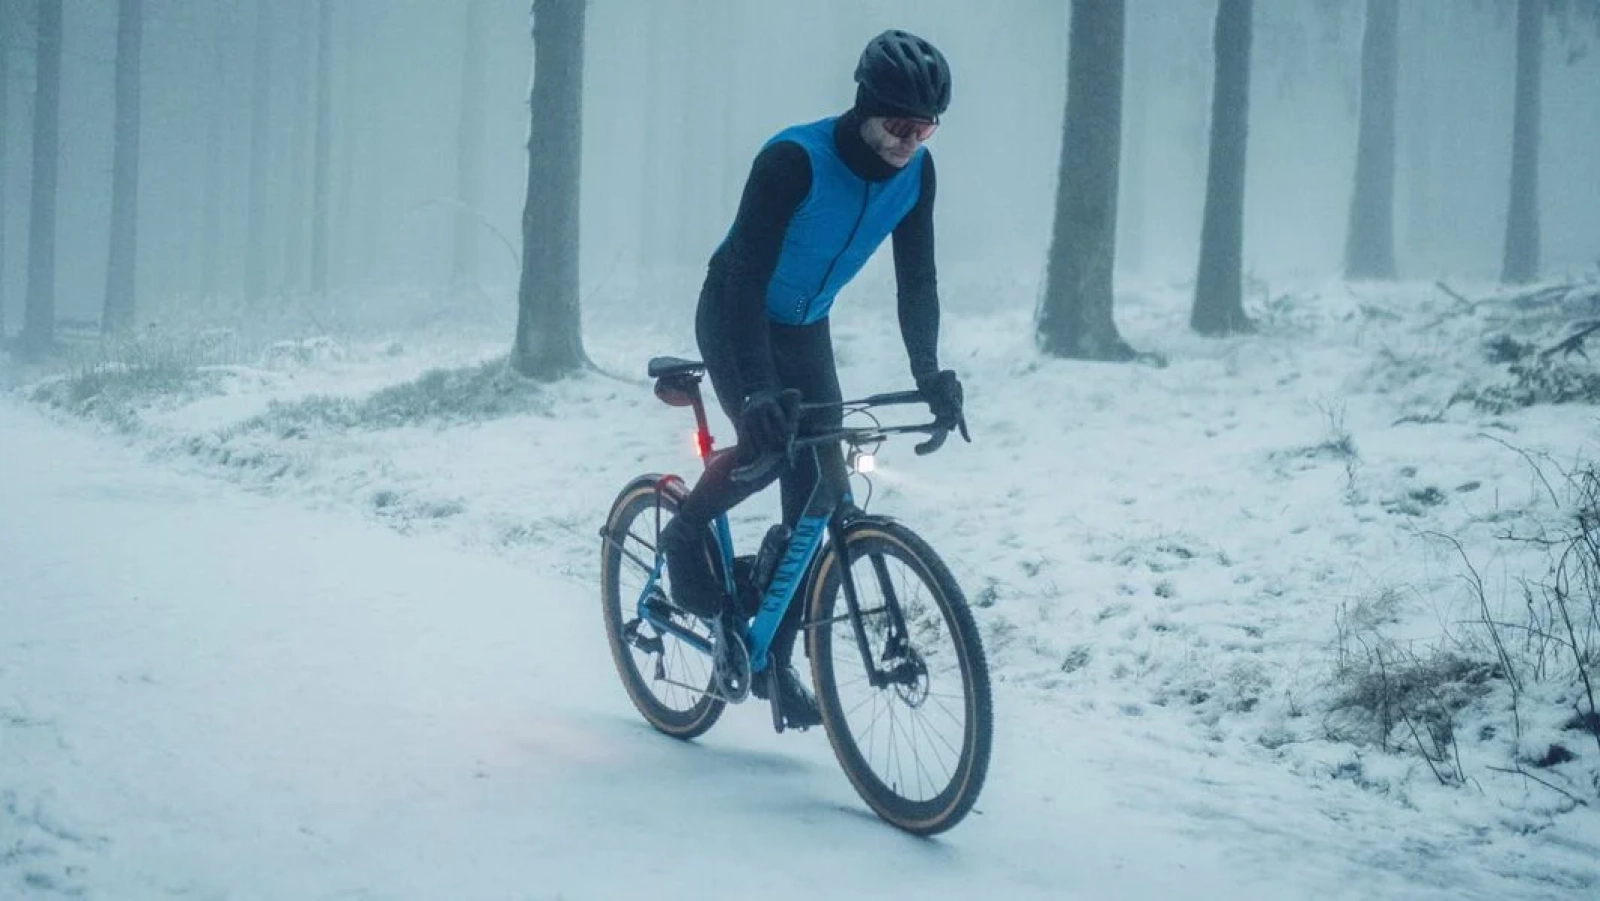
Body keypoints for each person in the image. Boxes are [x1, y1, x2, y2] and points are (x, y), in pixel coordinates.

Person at [659, 30, 966, 728]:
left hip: (804, 325)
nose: (908, 142)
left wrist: (931, 374)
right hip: (737, 310)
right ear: (864, 104)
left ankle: (774, 658)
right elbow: (742, 280)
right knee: (770, 449)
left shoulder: (918, 176)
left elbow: (917, 281)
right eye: (897, 124)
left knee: (820, 489)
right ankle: (685, 533)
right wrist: (760, 390)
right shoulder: (793, 161)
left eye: (924, 128)